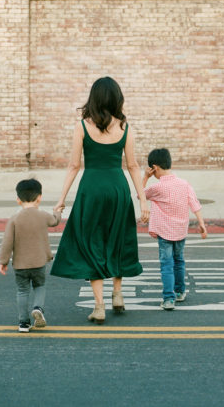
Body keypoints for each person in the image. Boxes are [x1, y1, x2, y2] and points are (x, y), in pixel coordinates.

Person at [50, 77, 150, 324]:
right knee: (117, 238)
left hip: (91, 190)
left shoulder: (82, 127)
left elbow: (74, 165)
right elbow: (133, 166)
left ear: (93, 98)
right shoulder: (125, 127)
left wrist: (61, 199)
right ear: (117, 98)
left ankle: (99, 305)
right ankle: (118, 292)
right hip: (117, 188)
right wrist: (143, 200)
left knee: (91, 242)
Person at [141, 148, 207, 310]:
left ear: (154, 168)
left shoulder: (157, 188)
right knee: (179, 261)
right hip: (180, 231)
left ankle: (169, 299)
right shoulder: (184, 184)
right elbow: (194, 203)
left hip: (165, 233)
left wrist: (145, 178)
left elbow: (140, 194)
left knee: (166, 265)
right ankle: (180, 292)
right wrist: (202, 224)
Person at [0, 178, 62, 332]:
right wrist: (57, 211)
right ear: (39, 197)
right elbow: (54, 221)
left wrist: (3, 261)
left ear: (18, 200)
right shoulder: (43, 215)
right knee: (40, 286)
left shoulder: (14, 219)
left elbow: (7, 242)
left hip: (20, 264)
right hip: (39, 262)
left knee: (22, 291)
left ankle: (23, 323)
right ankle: (38, 308)